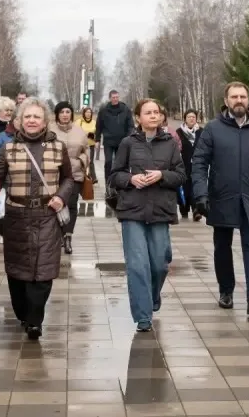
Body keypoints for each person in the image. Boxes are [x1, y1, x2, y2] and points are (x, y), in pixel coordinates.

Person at [191, 83, 249, 316]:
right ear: (226, 100)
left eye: (242, 96)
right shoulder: (213, 129)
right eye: (234, 97)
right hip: (221, 198)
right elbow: (199, 164)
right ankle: (226, 291)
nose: (239, 100)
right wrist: (200, 195)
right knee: (222, 247)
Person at [0, 98, 74, 340]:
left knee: (44, 270)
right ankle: (23, 314)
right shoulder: (8, 149)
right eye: (27, 116)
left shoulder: (58, 147)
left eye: (36, 117)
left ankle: (35, 320)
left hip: (47, 215)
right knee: (18, 272)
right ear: (19, 121)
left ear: (45, 121)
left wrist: (61, 196)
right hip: (16, 217)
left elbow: (69, 178)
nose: (31, 120)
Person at [110, 98, 185, 332]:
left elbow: (181, 175)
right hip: (132, 209)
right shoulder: (128, 143)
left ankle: (153, 297)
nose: (153, 116)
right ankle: (143, 316)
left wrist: (162, 175)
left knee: (160, 264)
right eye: (148, 112)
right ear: (138, 118)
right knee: (137, 265)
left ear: (162, 117)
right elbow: (115, 175)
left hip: (161, 210)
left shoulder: (171, 144)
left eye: (157, 112)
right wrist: (131, 179)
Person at [51, 101, 90, 255]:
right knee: (57, 205)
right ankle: (59, 235)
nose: (65, 115)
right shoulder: (49, 131)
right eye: (62, 112)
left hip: (75, 174)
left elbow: (86, 150)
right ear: (57, 115)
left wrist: (81, 161)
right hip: (55, 174)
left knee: (72, 205)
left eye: (68, 112)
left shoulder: (79, 131)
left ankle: (68, 237)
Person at [97, 90, 135, 207]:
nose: (115, 99)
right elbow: (99, 125)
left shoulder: (125, 109)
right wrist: (97, 139)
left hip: (122, 141)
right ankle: (108, 185)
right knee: (108, 162)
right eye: (113, 97)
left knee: (121, 164)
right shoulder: (104, 111)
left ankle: (121, 185)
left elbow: (130, 124)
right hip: (108, 141)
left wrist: (129, 137)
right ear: (110, 98)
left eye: (117, 97)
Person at [174, 110, 200, 219]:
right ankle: (184, 208)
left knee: (196, 185)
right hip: (183, 163)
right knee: (184, 185)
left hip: (197, 164)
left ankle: (196, 209)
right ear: (185, 119)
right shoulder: (179, 132)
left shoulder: (201, 132)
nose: (191, 119)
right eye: (189, 117)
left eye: (193, 117)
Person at [78, 106, 97, 181]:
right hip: (81, 145)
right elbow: (77, 132)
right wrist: (87, 133)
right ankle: (82, 176)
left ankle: (94, 178)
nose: (88, 114)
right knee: (82, 161)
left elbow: (96, 133)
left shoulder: (94, 122)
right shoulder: (80, 121)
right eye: (87, 112)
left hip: (91, 145)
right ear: (84, 113)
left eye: (90, 112)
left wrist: (92, 135)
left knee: (91, 161)